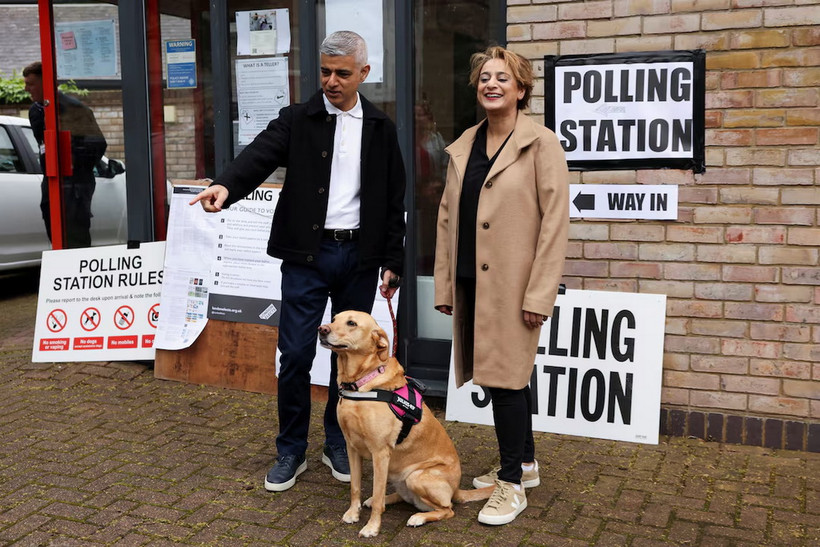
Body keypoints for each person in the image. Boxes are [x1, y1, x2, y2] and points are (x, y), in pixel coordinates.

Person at [190, 31, 406, 493]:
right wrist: (225, 187)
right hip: (307, 257)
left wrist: (393, 259)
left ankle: (334, 439)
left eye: (342, 73)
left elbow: (393, 198)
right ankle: (290, 448)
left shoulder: (381, 127)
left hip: (359, 257)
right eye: (325, 71)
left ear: (363, 74)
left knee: (347, 357)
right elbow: (259, 156)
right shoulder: (297, 119)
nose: (331, 81)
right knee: (295, 355)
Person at [434, 46, 569, 525]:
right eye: (484, 78)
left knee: (506, 382)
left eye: (502, 78)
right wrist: (446, 286)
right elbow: (447, 217)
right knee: (506, 377)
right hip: (474, 283)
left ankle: (511, 485)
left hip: (514, 287)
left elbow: (555, 224)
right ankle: (525, 465)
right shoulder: (465, 145)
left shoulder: (542, 144)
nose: (492, 84)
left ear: (521, 89)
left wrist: (539, 294)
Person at [23, 61, 107, 249]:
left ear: (47, 83)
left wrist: (72, 162)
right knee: (53, 228)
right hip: (50, 179)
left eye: (31, 83)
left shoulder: (75, 109)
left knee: (75, 234)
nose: (26, 88)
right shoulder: (35, 111)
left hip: (73, 182)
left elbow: (98, 144)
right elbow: (43, 144)